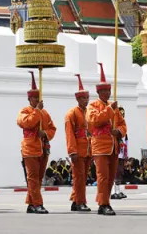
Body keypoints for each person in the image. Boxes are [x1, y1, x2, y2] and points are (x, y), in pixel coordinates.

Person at [87, 63, 127, 216]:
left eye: (108, 90)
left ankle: (104, 201)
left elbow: (123, 124)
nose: (107, 93)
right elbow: (95, 120)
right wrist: (110, 109)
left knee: (110, 177)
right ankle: (104, 203)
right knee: (102, 177)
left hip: (114, 146)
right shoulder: (93, 106)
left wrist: (119, 131)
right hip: (100, 146)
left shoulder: (114, 107)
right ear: (98, 92)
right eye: (103, 91)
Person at [17, 71, 57, 214]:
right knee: (32, 178)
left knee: (38, 178)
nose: (37, 100)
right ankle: (38, 203)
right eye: (34, 98)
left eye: (38, 98)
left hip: (43, 148)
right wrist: (37, 112)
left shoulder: (45, 113)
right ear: (29, 99)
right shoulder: (25, 111)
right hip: (29, 149)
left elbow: (52, 128)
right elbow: (26, 123)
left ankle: (31, 203)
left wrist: (45, 133)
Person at [66, 74, 91, 212]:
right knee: (79, 177)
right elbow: (69, 133)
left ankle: (76, 201)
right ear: (77, 99)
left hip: (88, 149)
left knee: (82, 177)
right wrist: (72, 151)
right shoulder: (71, 113)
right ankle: (80, 201)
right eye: (83, 98)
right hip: (78, 150)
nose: (86, 100)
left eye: (87, 97)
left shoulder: (89, 112)